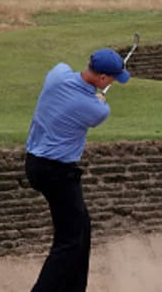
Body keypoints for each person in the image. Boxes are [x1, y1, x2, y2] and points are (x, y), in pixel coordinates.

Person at [25, 48, 131, 292]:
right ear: (103, 78)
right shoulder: (97, 110)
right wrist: (99, 97)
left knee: (82, 227)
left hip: (35, 163)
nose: (114, 82)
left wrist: (91, 91)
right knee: (69, 241)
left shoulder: (57, 76)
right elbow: (98, 108)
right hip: (57, 173)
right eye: (113, 78)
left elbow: (64, 68)